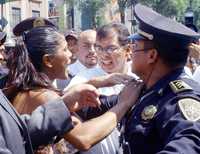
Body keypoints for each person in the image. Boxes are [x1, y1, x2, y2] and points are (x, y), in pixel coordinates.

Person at [3, 19, 143, 153]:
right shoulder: (43, 96)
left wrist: (96, 83)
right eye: (65, 50)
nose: (70, 54)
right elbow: (83, 138)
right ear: (48, 60)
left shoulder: (27, 89)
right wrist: (123, 104)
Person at [77, 4, 200, 154]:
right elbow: (87, 107)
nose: (131, 52)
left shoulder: (182, 100)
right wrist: (94, 84)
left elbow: (188, 144)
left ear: (152, 56)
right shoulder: (142, 89)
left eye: (135, 46)